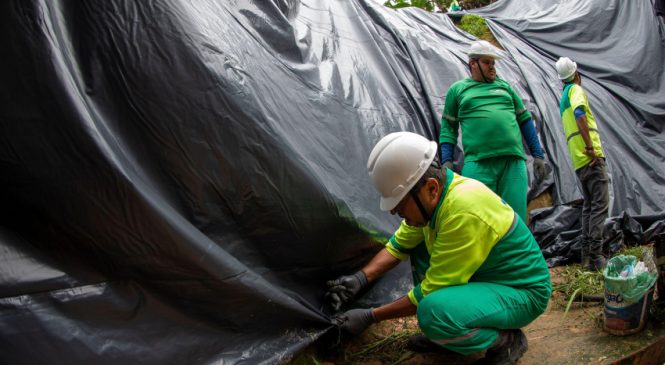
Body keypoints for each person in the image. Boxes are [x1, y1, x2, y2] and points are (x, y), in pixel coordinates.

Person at [326, 132, 551, 364]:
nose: (395, 212)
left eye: (400, 204)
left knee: (432, 312)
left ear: (431, 188)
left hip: (522, 292)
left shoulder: (463, 210)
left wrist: (370, 316)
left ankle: (504, 340)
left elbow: (430, 291)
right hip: (489, 280)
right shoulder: (435, 202)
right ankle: (444, 334)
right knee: (419, 246)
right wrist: (360, 279)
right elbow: (399, 245)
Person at [439, 40, 547, 223]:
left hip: (512, 163)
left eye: (493, 63)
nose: (492, 67)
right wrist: (447, 161)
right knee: (479, 219)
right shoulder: (458, 91)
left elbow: (525, 121)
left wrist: (538, 154)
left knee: (515, 220)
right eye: (487, 63)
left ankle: (515, 252)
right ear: (473, 63)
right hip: (478, 164)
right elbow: (448, 128)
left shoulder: (505, 87)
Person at [555, 57, 610, 271]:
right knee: (599, 205)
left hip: (579, 161)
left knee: (588, 206)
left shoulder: (562, 98)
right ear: (576, 74)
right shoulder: (575, 91)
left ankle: (587, 256)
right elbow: (580, 114)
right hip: (590, 157)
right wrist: (590, 146)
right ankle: (596, 257)